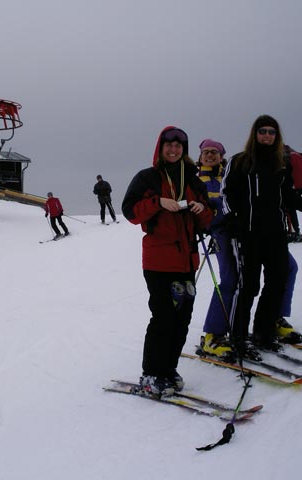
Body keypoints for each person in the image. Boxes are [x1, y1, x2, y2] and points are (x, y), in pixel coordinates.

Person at [221, 115, 302, 360]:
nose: (267, 136)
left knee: (277, 282)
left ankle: (263, 332)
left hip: (276, 234)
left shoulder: (281, 164)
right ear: (255, 134)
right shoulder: (239, 162)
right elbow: (226, 194)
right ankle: (238, 337)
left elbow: (288, 197)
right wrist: (232, 219)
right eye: (263, 131)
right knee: (248, 286)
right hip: (248, 234)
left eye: (271, 132)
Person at [122, 126, 213, 397]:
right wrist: (157, 201)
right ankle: (152, 373)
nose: (173, 149)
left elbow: (207, 220)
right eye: (169, 145)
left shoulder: (193, 180)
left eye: (178, 145)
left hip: (187, 261)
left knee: (182, 319)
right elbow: (130, 212)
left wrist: (202, 210)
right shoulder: (147, 178)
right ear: (160, 147)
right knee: (163, 318)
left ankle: (169, 370)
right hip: (159, 262)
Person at [194, 139, 236, 361]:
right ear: (200, 156)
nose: (210, 155)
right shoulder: (195, 179)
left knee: (242, 281)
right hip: (219, 233)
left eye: (214, 152)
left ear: (221, 156)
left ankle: (235, 327)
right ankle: (213, 334)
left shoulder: (228, 175)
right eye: (206, 152)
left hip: (239, 232)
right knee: (229, 280)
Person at [284, 145, 302, 242]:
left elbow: (288, 173)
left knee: (289, 209)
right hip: (301, 185)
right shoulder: (297, 155)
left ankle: (293, 232)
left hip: (293, 186)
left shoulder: (287, 158)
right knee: (291, 208)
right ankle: (294, 230)